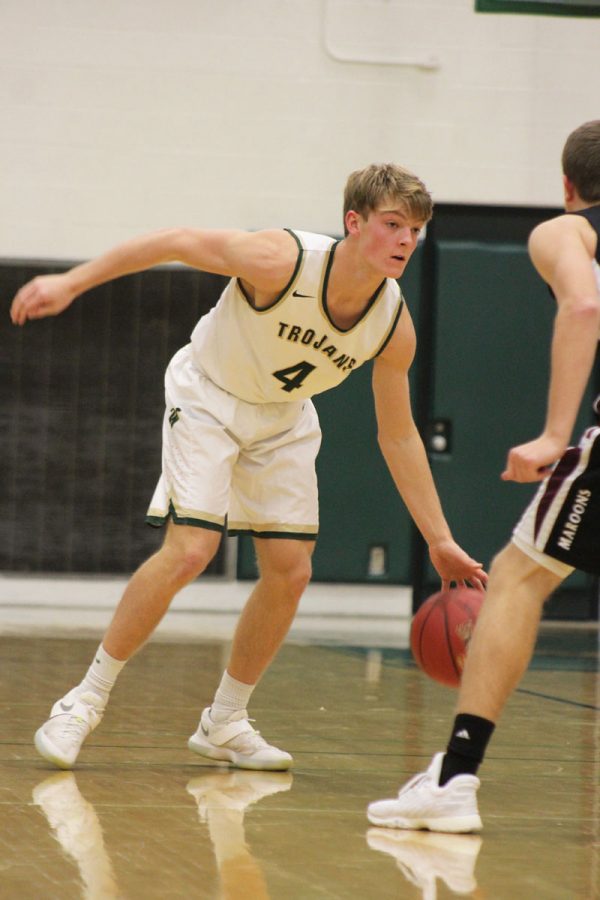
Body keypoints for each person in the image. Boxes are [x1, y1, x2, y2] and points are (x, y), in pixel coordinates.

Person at [10, 163, 486, 772]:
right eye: (393, 225)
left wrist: (439, 539)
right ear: (353, 223)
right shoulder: (279, 260)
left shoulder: (393, 326)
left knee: (290, 572)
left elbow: (398, 435)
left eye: (415, 231)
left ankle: (225, 721)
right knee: (191, 550)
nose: (405, 242)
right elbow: (177, 240)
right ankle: (83, 700)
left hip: (283, 417)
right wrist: (73, 282)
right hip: (208, 394)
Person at [367, 121, 600, 833]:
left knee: (518, 576)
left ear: (568, 187)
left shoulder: (563, 233)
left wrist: (556, 434)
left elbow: (584, 305)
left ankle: (457, 780)